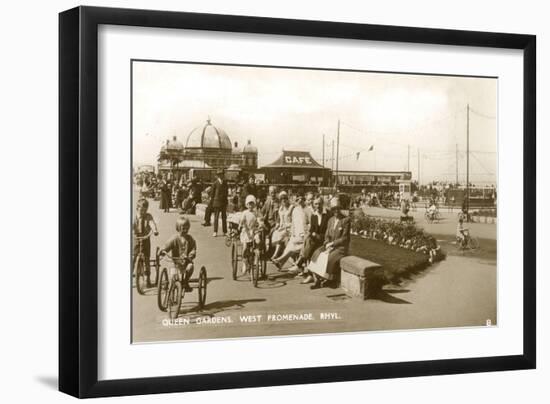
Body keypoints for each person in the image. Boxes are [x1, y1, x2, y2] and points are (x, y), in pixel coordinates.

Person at [309, 197, 351, 289]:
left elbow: (345, 238)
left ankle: (328, 280)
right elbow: (327, 235)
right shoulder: (331, 220)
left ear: (340, 209)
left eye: (337, 208)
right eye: (333, 209)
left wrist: (332, 244)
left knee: (328, 258)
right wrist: (327, 243)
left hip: (340, 248)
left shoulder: (346, 220)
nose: (336, 211)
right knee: (316, 253)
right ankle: (317, 280)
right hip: (330, 246)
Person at [273, 192, 310, 271]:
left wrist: (303, 234)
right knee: (290, 243)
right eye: (297, 200)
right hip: (296, 234)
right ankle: (280, 262)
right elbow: (294, 223)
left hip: (304, 235)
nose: (299, 201)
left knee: (292, 245)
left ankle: (280, 260)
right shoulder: (296, 210)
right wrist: (292, 233)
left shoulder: (306, 210)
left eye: (301, 199)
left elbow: (306, 225)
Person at [160, 217, 197, 292]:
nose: (185, 230)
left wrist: (190, 256)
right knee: (173, 276)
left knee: (190, 267)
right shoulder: (175, 238)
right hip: (175, 262)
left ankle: (186, 281)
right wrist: (163, 250)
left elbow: (193, 249)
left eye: (187, 228)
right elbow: (167, 245)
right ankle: (170, 295)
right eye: (183, 228)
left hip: (186, 261)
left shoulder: (190, 239)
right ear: (178, 228)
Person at [297, 196, 329, 284]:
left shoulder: (327, 215)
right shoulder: (314, 216)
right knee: (309, 242)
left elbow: (328, 231)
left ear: (322, 204)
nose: (317, 206)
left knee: (311, 247)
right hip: (315, 240)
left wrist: (318, 235)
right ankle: (312, 275)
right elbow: (311, 230)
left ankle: (303, 261)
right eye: (316, 204)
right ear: (313, 205)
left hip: (324, 240)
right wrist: (313, 233)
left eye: (319, 203)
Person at [133, 198, 159, 287]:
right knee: (133, 257)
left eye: (145, 210)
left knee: (147, 258)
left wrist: (155, 230)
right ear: (137, 208)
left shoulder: (148, 216)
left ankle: (148, 279)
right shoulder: (134, 217)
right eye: (141, 210)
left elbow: (152, 223)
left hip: (145, 238)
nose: (143, 212)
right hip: (135, 238)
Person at [239, 195, 259, 274]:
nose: (250, 206)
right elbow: (242, 221)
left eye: (252, 204)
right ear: (246, 205)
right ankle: (245, 263)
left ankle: (256, 261)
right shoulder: (245, 213)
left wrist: (261, 224)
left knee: (257, 243)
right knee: (245, 248)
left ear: (254, 204)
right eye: (249, 204)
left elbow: (260, 220)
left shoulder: (256, 213)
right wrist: (241, 224)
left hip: (254, 231)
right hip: (246, 232)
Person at [270, 191, 291, 261]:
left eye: (285, 199)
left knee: (279, 235)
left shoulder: (291, 208)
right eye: (282, 199)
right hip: (282, 227)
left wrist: (287, 225)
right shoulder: (281, 209)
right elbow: (279, 219)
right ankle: (276, 254)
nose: (284, 200)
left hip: (289, 227)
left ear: (287, 199)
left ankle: (276, 254)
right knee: (275, 233)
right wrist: (277, 225)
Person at [211, 169, 228, 237]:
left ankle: (225, 231)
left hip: (223, 202)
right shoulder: (215, 183)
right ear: (218, 176)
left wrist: (226, 201)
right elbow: (212, 194)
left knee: (224, 217)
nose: (221, 176)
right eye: (219, 175)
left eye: (222, 174)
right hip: (217, 202)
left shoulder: (225, 183)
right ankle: (215, 231)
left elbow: (226, 193)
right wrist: (212, 202)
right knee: (216, 217)